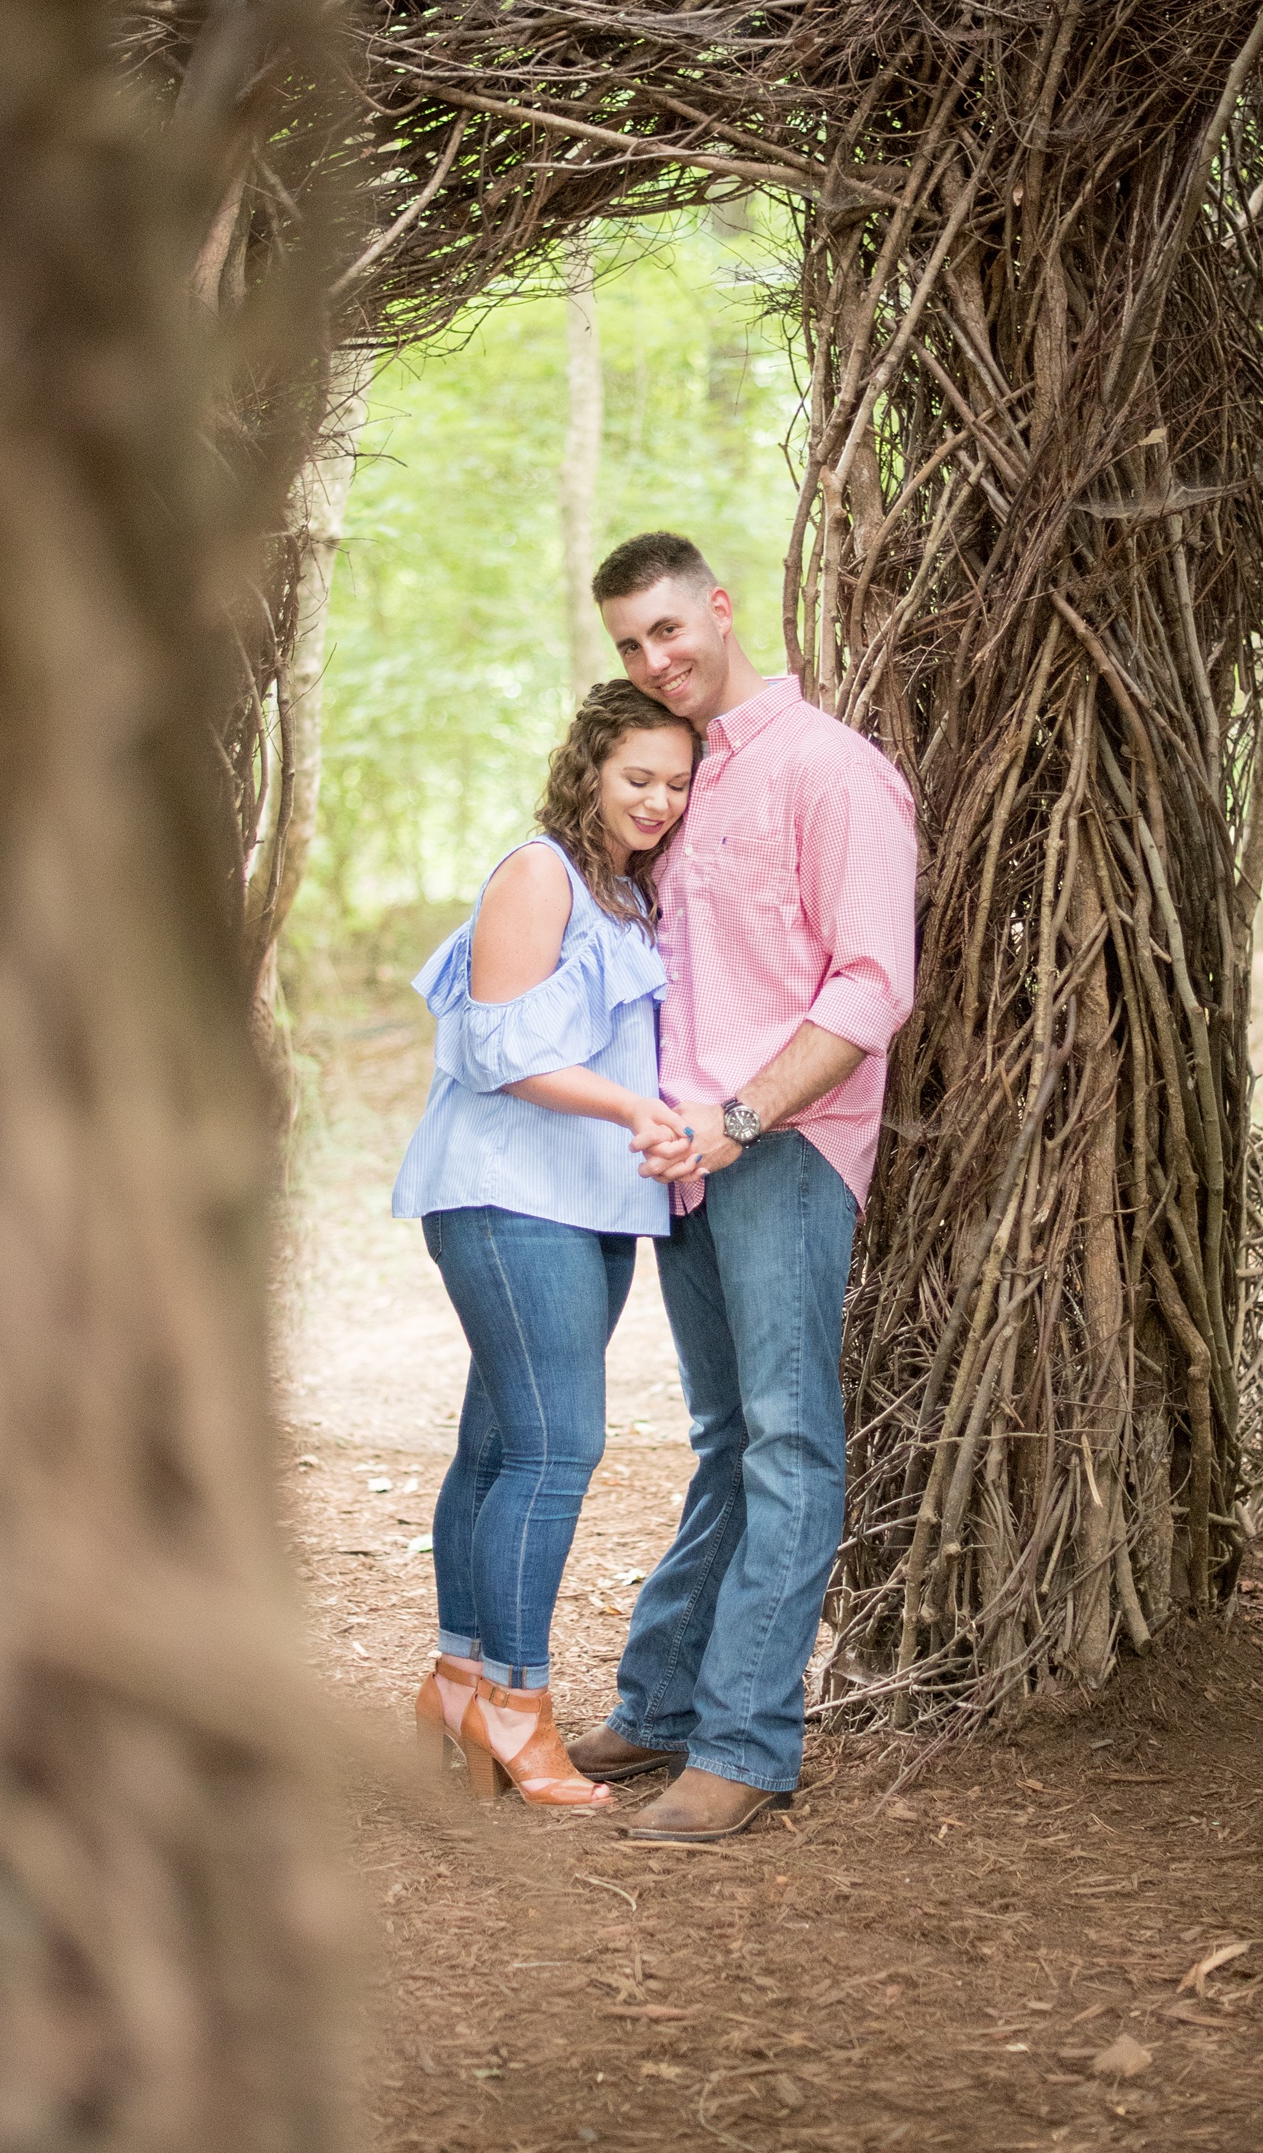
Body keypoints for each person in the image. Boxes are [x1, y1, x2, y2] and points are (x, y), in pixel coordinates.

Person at [569, 533, 918, 1845]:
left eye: (671, 627)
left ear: (721, 608)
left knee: (786, 1440)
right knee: (725, 1440)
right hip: (688, 1157)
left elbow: (873, 985)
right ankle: (662, 1706)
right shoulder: (678, 778)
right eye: (631, 644)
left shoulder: (833, 772)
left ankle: (749, 1744)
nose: (658, 658)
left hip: (781, 1146)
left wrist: (740, 1116)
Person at [393, 680, 698, 1810]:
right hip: (506, 1194)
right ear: (588, 768)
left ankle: (458, 1684)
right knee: (555, 1449)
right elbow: (496, 1053)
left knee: (496, 1446)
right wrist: (632, 1115)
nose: (657, 799)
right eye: (636, 777)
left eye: (675, 781)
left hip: (588, 1205)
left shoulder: (627, 891)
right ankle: (518, 1712)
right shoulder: (541, 873)